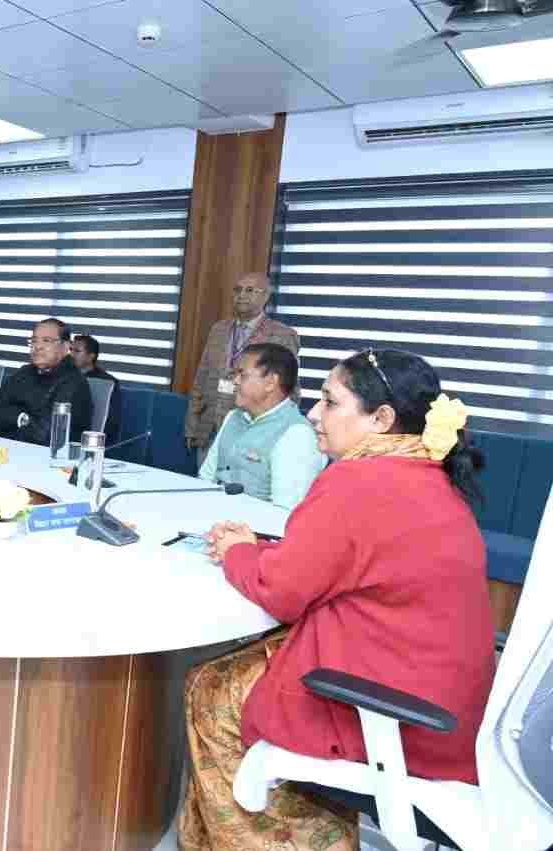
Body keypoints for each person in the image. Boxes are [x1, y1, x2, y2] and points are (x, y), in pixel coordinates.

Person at [180, 349, 494, 851]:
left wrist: (238, 552)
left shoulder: (358, 480)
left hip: (395, 716)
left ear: (381, 419)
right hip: (444, 710)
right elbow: (339, 562)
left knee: (212, 690)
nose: (312, 414)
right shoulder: (427, 475)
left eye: (329, 402)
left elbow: (282, 591)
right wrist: (260, 549)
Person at [185, 273, 299, 465]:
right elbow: (201, 377)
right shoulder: (218, 330)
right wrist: (192, 424)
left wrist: (278, 433)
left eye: (250, 290)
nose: (241, 295)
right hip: (208, 429)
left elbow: (290, 390)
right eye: (237, 290)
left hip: (251, 433)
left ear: (266, 296)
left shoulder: (282, 335)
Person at [197, 343, 326, 511]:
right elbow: (205, 479)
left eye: (242, 375)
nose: (235, 381)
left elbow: (284, 513)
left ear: (270, 383)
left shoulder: (298, 435)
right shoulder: (233, 417)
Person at [0, 318, 91, 446]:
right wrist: (21, 418)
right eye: (34, 341)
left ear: (66, 347)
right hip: (6, 447)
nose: (37, 346)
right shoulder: (25, 372)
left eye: (46, 341)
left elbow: (45, 435)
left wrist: (8, 421)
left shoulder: (74, 382)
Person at [71, 333, 121, 441]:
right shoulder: (65, 376)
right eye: (71, 350)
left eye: (77, 351)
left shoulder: (107, 383)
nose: (72, 355)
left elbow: (109, 424)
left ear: (91, 356)